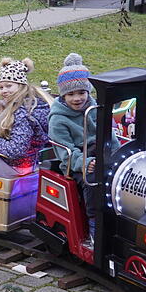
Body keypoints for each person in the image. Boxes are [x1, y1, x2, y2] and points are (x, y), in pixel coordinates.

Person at [47, 53, 115, 241]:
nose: (77, 98)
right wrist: (84, 163)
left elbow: (109, 133)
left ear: (88, 92)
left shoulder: (93, 107)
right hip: (74, 160)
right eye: (70, 94)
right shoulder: (58, 119)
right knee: (91, 179)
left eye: (82, 93)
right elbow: (64, 150)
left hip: (99, 151)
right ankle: (94, 223)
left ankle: (116, 216)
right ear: (63, 95)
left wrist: (118, 153)